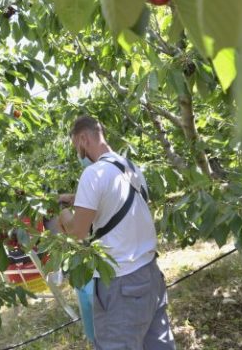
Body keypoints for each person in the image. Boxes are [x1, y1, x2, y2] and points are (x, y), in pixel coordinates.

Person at [58, 115, 176, 350]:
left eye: (76, 148)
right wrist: (77, 199)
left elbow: (78, 232)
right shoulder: (129, 167)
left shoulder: (93, 173)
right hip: (150, 275)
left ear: (82, 139)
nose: (79, 154)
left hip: (122, 286)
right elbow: (118, 204)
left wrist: (60, 209)